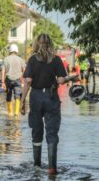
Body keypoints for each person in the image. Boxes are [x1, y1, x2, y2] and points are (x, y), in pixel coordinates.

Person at [20, 34, 70, 175]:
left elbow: (28, 81)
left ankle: (36, 166)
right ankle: (52, 168)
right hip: (51, 96)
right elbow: (60, 80)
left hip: (36, 96)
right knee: (52, 132)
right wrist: (67, 78)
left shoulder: (32, 60)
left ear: (37, 44)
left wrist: (23, 100)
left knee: (36, 131)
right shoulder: (56, 60)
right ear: (50, 44)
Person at [1, 44, 26, 116]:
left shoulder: (6, 59)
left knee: (8, 95)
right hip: (18, 79)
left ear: (10, 51)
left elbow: (3, 71)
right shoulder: (21, 59)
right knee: (17, 95)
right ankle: (16, 113)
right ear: (17, 51)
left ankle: (9, 113)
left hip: (8, 79)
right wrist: (22, 78)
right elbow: (24, 70)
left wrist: (2, 82)